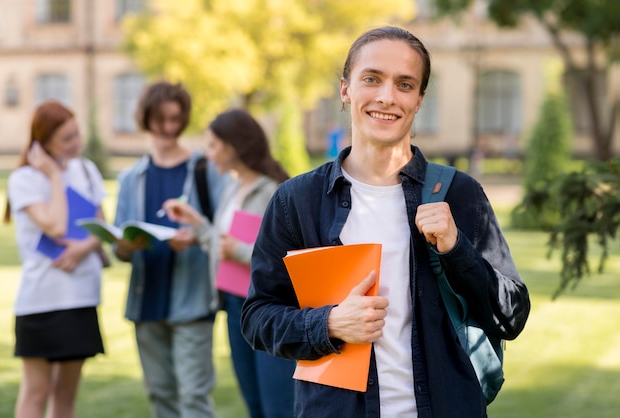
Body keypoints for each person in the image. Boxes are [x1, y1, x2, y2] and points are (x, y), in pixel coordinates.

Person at [241, 26, 531, 418]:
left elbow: (511, 316)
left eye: (405, 84)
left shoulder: (459, 194)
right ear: (345, 89)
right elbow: (258, 317)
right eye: (372, 79)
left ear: (419, 99)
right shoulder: (297, 200)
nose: (387, 97)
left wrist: (456, 248)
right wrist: (327, 323)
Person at [162, 108, 295, 418]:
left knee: (278, 406)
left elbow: (288, 259)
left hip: (271, 309)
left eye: (212, 145)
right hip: (236, 307)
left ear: (232, 147)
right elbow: (223, 245)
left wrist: (238, 250)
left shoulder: (274, 191)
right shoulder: (232, 188)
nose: (208, 155)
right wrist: (197, 225)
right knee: (254, 403)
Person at [112, 81, 228, 418]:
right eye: (159, 119)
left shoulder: (205, 170)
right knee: (160, 397)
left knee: (194, 398)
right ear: (146, 119)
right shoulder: (131, 178)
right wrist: (124, 246)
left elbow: (225, 232)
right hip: (146, 300)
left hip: (192, 301)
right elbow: (120, 250)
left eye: (175, 119)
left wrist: (195, 236)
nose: (167, 128)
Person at [4, 100, 106, 418]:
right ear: (43, 141)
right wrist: (54, 176)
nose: (75, 143)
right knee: (36, 393)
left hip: (81, 295)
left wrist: (81, 248)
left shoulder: (87, 169)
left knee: (66, 395)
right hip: (41, 300)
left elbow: (102, 226)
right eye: (66, 138)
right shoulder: (24, 179)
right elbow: (56, 225)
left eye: (76, 135)